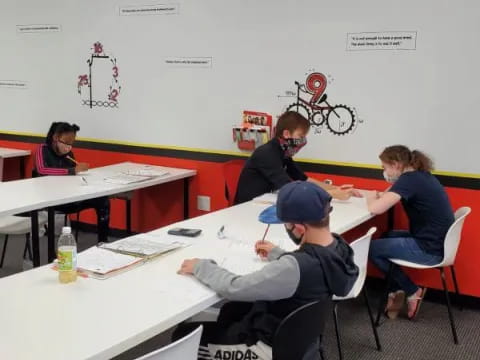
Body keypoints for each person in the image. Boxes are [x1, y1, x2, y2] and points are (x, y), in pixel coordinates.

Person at [175, 181, 359, 360]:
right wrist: (278, 253)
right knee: (232, 311)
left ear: (300, 228)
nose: (286, 228)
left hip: (268, 348)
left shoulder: (292, 268)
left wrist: (200, 266)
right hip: (300, 341)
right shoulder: (339, 249)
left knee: (183, 336)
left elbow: (234, 287)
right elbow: (311, 264)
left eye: (286, 224)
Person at [366, 145, 454, 320]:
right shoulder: (420, 176)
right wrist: (380, 195)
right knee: (386, 237)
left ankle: (411, 290)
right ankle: (395, 289)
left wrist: (369, 197)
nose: (384, 172)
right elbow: (387, 194)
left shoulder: (409, 180)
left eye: (384, 167)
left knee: (370, 248)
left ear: (396, 164)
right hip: (438, 242)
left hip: (429, 249)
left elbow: (376, 208)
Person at [234, 111, 360, 204]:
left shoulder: (283, 152)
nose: (303, 140)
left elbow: (303, 179)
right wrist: (332, 195)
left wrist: (337, 189)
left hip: (264, 203)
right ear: (286, 134)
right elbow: (290, 189)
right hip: (248, 207)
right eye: (301, 135)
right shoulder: (267, 153)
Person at [34, 122, 110, 243]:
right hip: (50, 199)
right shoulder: (42, 149)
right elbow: (42, 170)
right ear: (55, 138)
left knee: (102, 200)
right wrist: (71, 170)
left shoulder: (68, 154)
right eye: (66, 142)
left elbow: (74, 174)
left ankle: (103, 241)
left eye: (72, 143)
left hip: (69, 197)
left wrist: (79, 172)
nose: (69, 147)